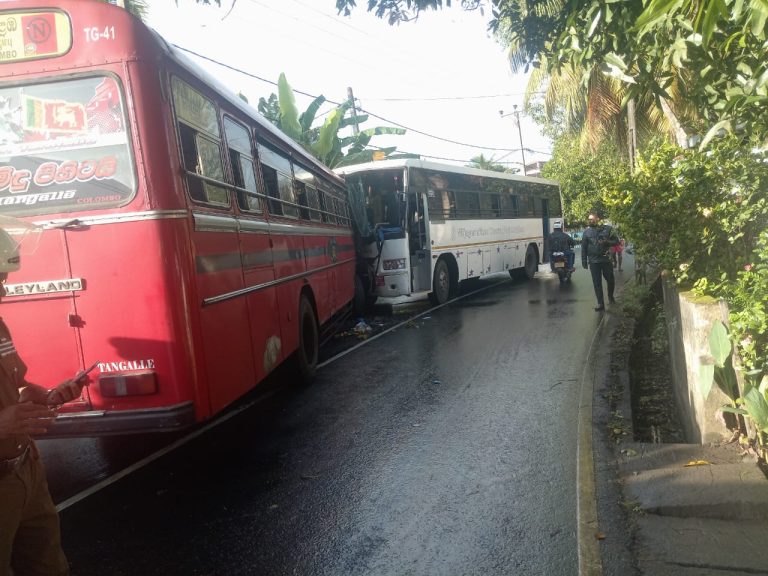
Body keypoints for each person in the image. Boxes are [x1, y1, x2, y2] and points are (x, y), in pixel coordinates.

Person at [0, 225, 87, 576]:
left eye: (3, 278)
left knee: (48, 566)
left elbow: (16, 386)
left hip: (25, 471)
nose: (2, 289)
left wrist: (45, 394)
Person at [581, 212, 619, 311]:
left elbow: (616, 241)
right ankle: (600, 303)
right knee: (597, 283)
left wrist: (607, 242)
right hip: (594, 261)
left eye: (592, 219)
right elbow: (584, 247)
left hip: (606, 259)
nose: (590, 221)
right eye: (589, 219)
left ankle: (610, 297)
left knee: (610, 280)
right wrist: (584, 260)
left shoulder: (608, 229)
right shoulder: (586, 232)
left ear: (597, 219)